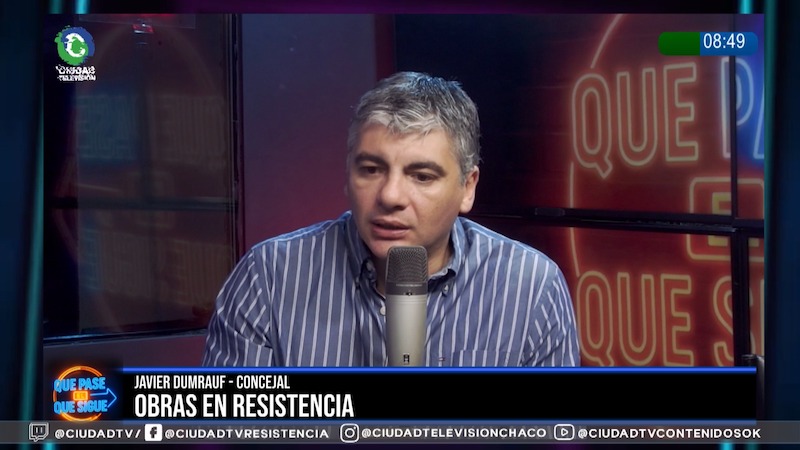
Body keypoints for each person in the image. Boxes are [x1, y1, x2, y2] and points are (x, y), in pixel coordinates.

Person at [202, 71, 580, 367]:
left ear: (467, 187)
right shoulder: (269, 276)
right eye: (371, 169)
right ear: (348, 173)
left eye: (422, 176)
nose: (390, 196)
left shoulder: (531, 287)